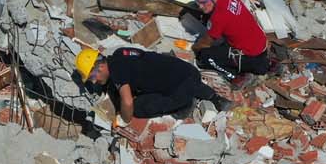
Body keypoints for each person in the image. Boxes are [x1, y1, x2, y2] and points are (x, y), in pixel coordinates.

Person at [76, 46, 226, 123]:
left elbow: (127, 102)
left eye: (93, 77)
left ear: (101, 67)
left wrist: (124, 119)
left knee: (137, 108)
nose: (94, 81)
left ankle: (185, 106)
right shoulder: (119, 53)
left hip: (181, 91)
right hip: (188, 70)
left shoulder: (116, 72)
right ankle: (207, 94)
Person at [191, 0, 274, 78]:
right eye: (197, 2)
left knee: (205, 57)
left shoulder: (218, 17)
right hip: (261, 42)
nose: (200, 6)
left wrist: (194, 48)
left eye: (203, 2)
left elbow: (205, 43)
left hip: (251, 56)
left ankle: (235, 77)